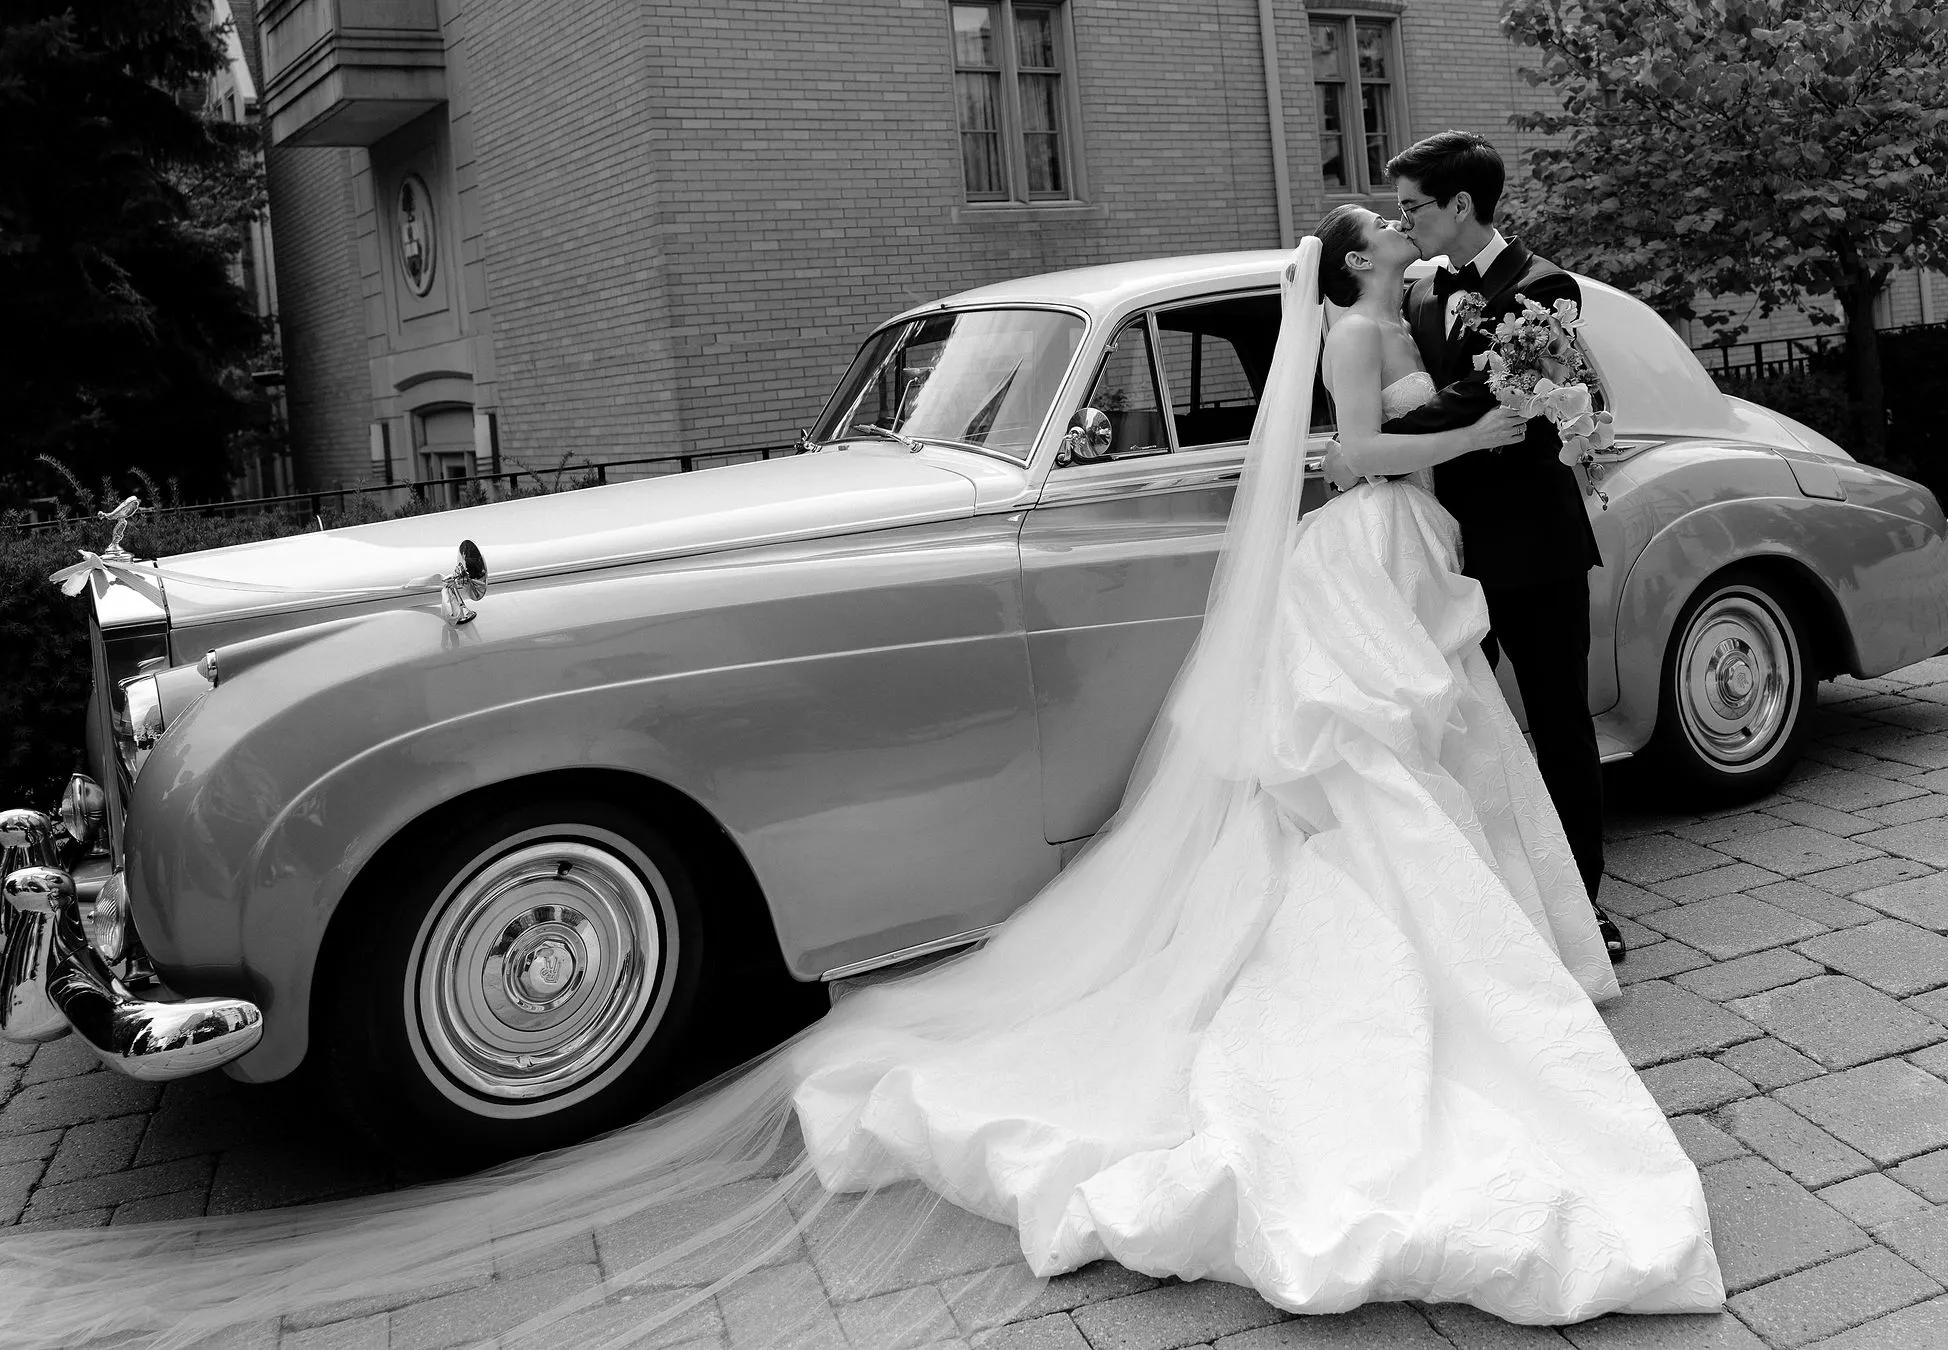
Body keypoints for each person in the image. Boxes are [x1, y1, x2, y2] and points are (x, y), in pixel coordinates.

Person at [0, 229, 1721, 1349]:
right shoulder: (1227, 359)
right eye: (941, 381)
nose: (949, 411)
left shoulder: (1340, 347)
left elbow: (1327, 446)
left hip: (1385, 548)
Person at [1371, 130, 1624, 963]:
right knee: (1461, 729)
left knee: (1558, 726)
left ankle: (1584, 908)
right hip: (1441, 548)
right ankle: (1494, 899)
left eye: (1412, 207)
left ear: (1461, 206)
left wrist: (1372, 437)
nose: (1402, 222)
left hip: (1535, 545)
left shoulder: (1544, 288)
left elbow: (1481, 393)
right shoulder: (1416, 293)